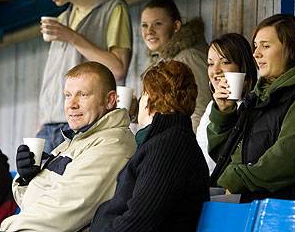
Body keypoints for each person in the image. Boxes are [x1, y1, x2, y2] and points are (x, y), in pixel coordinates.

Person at [0, 61, 136, 231]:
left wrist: (6, 228)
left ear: (110, 100)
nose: (72, 104)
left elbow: (63, 212)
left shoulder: (112, 145)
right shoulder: (76, 141)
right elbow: (37, 205)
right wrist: (27, 179)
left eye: (83, 95)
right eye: (68, 95)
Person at [90, 60, 209, 232]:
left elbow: (138, 223)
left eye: (143, 94)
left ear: (151, 99)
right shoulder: (166, 140)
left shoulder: (170, 146)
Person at [38, 0, 132, 153]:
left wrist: (72, 37)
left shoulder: (112, 8)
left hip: (83, 124)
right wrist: (42, 120)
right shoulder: (64, 18)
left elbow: (119, 68)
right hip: (49, 124)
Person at [208, 14, 295, 202]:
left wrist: (234, 179)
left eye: (265, 46)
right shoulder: (256, 98)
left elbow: (286, 161)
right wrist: (224, 113)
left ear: (291, 49)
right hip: (245, 204)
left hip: (275, 214)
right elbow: (222, 155)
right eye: (256, 46)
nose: (256, 53)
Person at [140, 0, 211, 131]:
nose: (149, 31)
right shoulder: (160, 61)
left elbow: (199, 111)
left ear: (176, 26)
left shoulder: (188, 58)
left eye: (157, 24)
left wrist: (187, 148)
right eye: (144, 25)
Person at [196, 33, 258, 174]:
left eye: (225, 62)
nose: (215, 71)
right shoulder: (212, 106)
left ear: (242, 66)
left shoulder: (256, 105)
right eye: (210, 64)